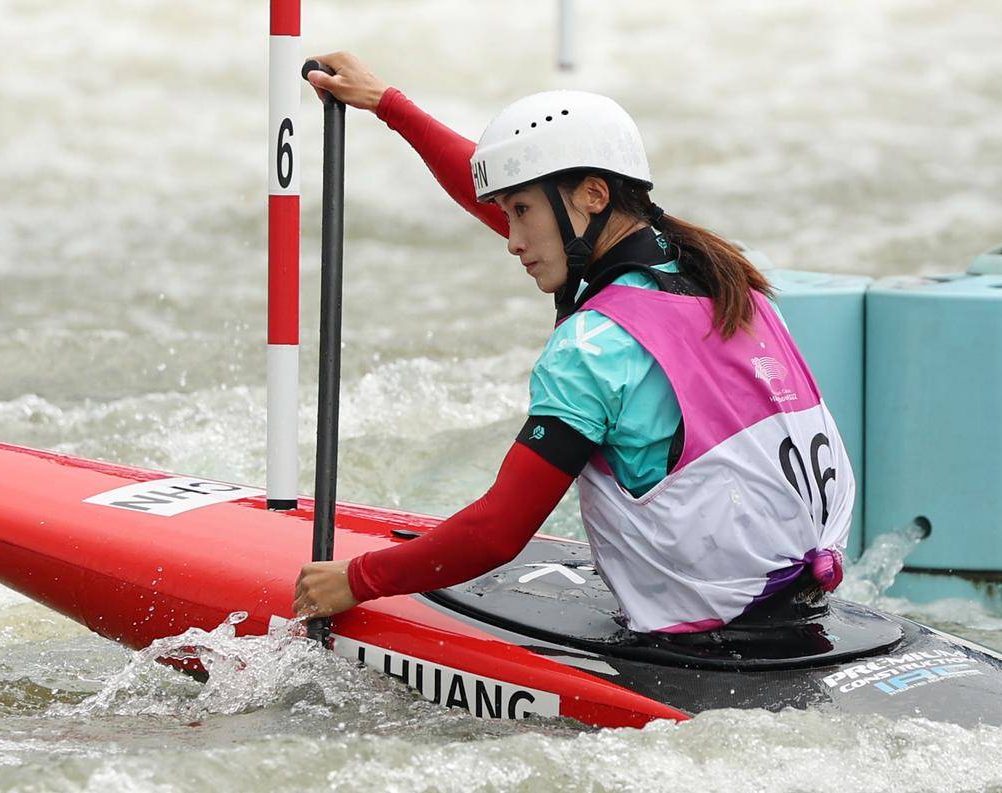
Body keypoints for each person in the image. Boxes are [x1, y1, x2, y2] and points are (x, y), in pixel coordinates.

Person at [293, 53, 855, 635]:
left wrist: (356, 579)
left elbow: (496, 534)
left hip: (707, 630)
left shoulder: (596, 347)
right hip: (800, 600)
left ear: (593, 195)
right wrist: (389, 105)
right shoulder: (725, 278)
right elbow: (541, 214)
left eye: (520, 213)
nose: (511, 241)